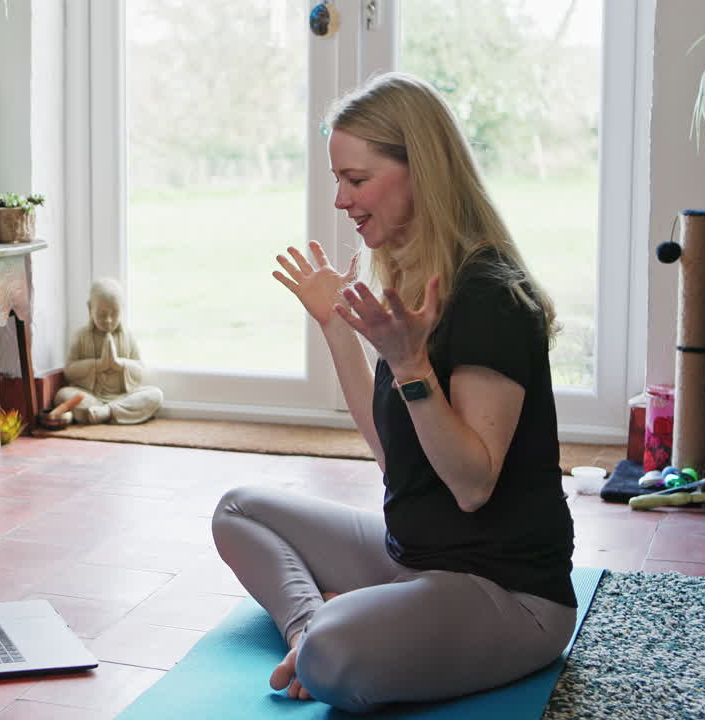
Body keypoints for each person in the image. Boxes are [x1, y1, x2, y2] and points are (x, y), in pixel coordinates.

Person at [211, 72, 576, 714]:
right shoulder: (414, 278)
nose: (341, 200)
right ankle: (309, 635)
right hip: (412, 558)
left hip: (508, 594)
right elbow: (392, 456)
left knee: (335, 655)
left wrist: (412, 366)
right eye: (338, 180)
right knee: (237, 511)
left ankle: (325, 640)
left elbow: (472, 485)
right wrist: (335, 325)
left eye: (356, 180)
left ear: (421, 172)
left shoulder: (491, 297)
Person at [53, 277, 163, 425]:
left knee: (155, 395)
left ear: (122, 308)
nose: (109, 320)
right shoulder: (81, 336)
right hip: (91, 397)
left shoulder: (128, 337)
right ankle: (107, 412)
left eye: (114, 313)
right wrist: (98, 365)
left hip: (122, 397)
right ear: (90, 308)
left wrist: (119, 364)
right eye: (102, 314)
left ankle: (105, 412)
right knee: (62, 395)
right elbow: (69, 371)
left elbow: (141, 372)